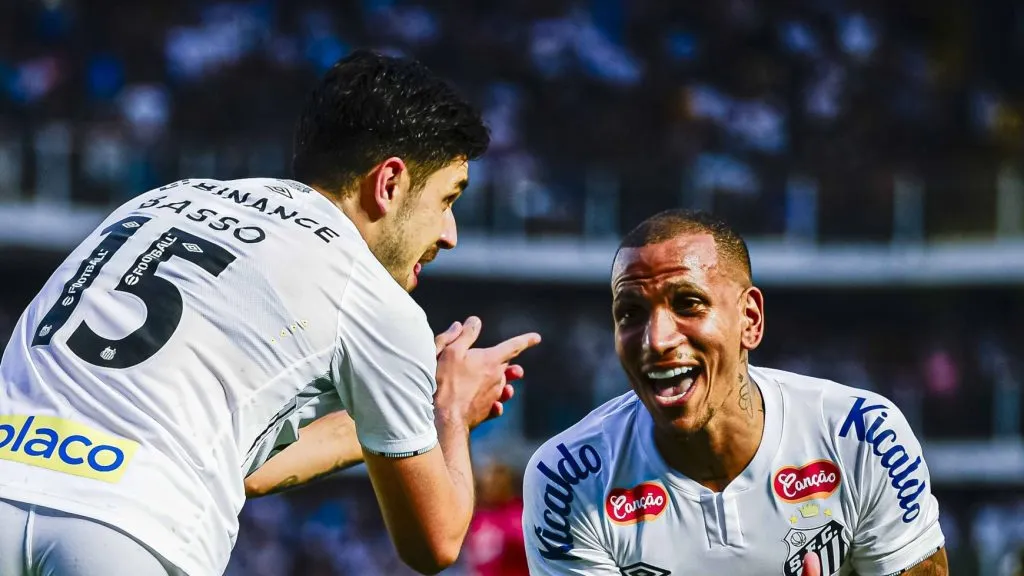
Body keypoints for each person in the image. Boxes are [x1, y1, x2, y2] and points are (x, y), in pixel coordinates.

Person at [0, 50, 540, 576]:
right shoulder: (371, 295)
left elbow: (247, 472)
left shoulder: (161, 202)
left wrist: (406, 411)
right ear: (390, 183)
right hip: (133, 525)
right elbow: (435, 542)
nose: (449, 235)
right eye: (447, 200)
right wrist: (451, 411)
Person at [522, 209, 947, 575]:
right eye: (630, 313)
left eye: (688, 303)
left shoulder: (862, 436)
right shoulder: (569, 479)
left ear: (750, 319)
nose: (656, 339)